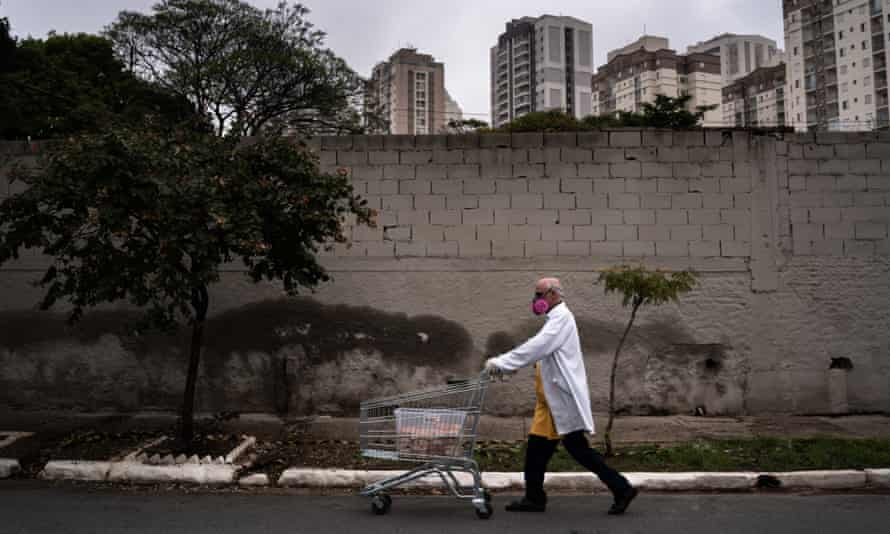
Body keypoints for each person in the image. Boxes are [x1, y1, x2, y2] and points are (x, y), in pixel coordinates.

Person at [484, 277, 638, 515]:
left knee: (579, 450)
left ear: (554, 295)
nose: (536, 300)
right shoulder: (554, 319)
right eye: (535, 295)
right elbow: (542, 353)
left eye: (539, 295)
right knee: (536, 450)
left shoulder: (562, 319)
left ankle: (622, 488)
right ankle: (534, 498)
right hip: (548, 403)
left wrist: (502, 363)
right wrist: (512, 366)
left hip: (560, 402)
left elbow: (538, 346)